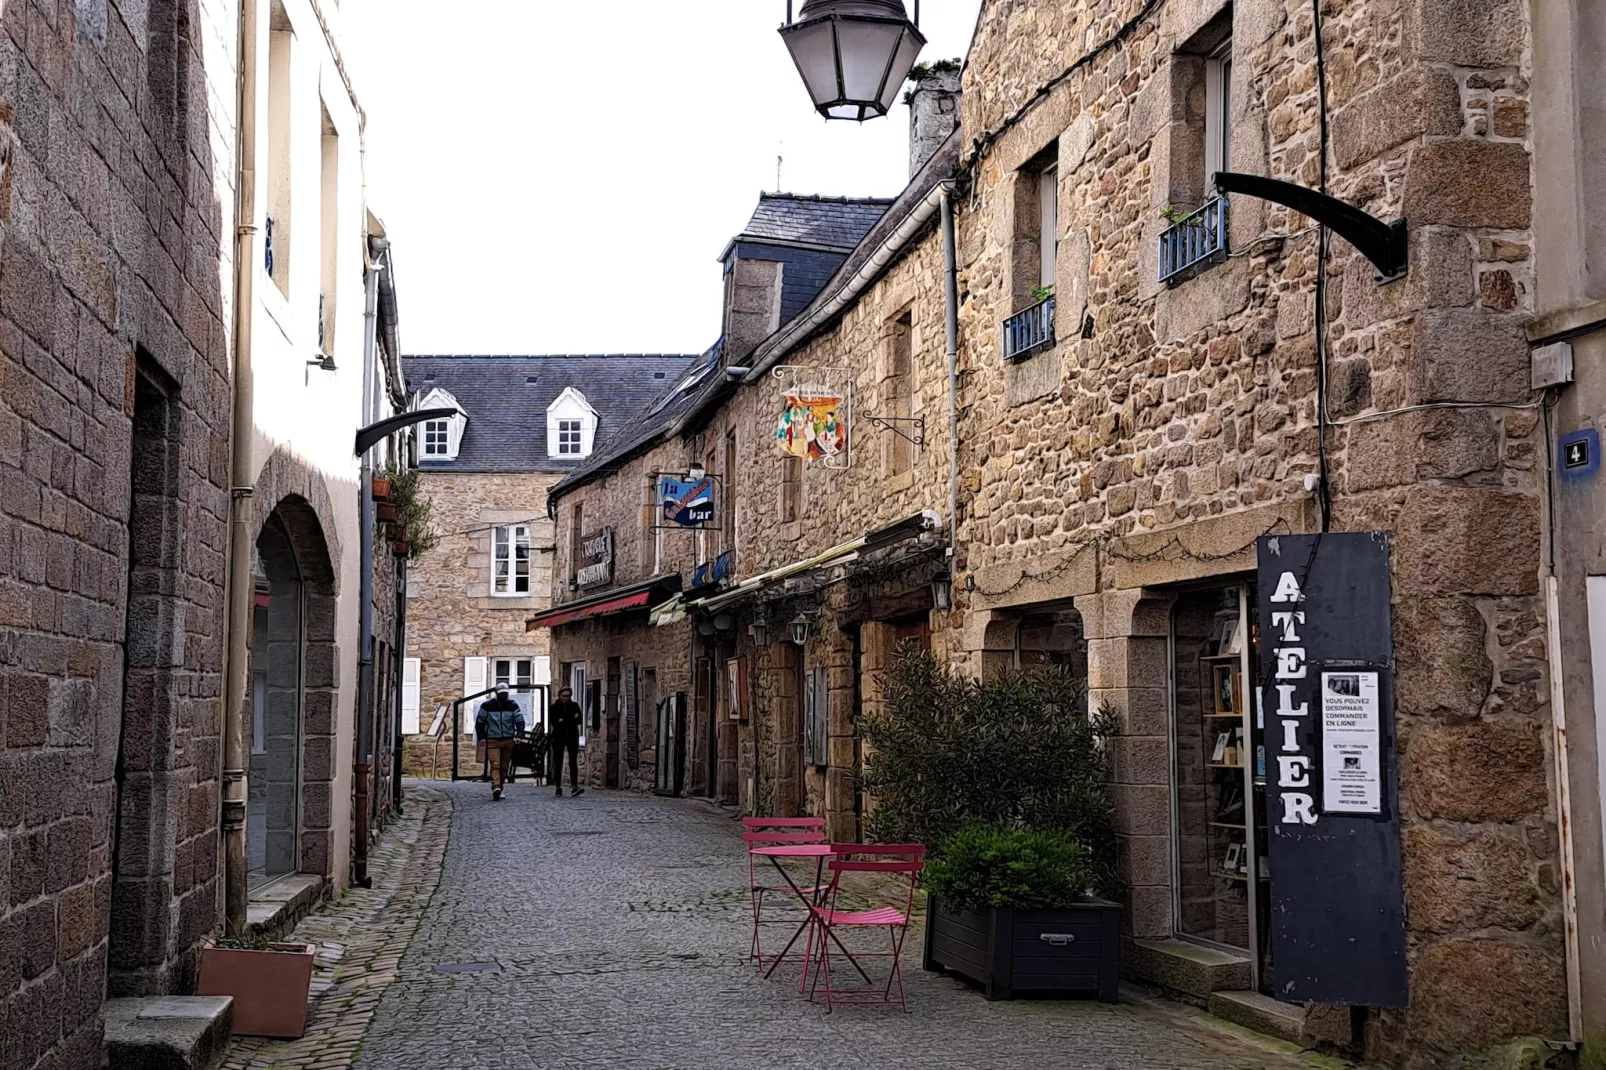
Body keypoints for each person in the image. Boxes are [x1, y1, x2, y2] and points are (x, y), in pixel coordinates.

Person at [475, 683, 525, 801]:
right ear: (497, 693)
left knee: (504, 765)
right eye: (501, 693)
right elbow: (480, 722)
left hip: (508, 739)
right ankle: (496, 786)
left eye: (505, 693)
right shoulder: (487, 706)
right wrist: (481, 737)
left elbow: (520, 721)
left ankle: (499, 787)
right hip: (492, 739)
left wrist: (519, 735)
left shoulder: (512, 705)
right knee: (495, 764)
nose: (503, 695)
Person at [549, 686, 584, 797]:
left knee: (573, 762)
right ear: (559, 696)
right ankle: (558, 787)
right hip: (558, 736)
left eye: (568, 696)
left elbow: (578, 719)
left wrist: (564, 720)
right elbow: (554, 721)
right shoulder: (554, 707)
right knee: (558, 762)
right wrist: (569, 719)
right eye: (564, 696)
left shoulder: (574, 706)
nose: (566, 698)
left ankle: (574, 786)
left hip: (572, 736)